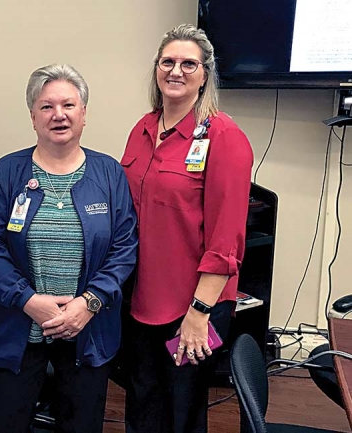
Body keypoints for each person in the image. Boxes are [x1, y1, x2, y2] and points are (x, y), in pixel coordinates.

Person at [0, 64, 138, 433]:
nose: (59, 115)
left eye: (68, 105)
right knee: (3, 422)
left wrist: (89, 302)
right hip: (19, 328)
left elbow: (124, 248)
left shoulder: (109, 174)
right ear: (33, 116)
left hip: (87, 328)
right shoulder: (7, 171)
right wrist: (27, 301)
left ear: (83, 114)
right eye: (47, 106)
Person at [120, 24, 253, 432]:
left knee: (181, 410)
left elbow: (226, 238)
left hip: (193, 303)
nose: (176, 71)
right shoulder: (143, 129)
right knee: (142, 401)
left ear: (205, 74)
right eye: (168, 62)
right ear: (156, 69)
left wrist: (199, 313)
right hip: (141, 298)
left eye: (188, 64)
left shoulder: (224, 137)